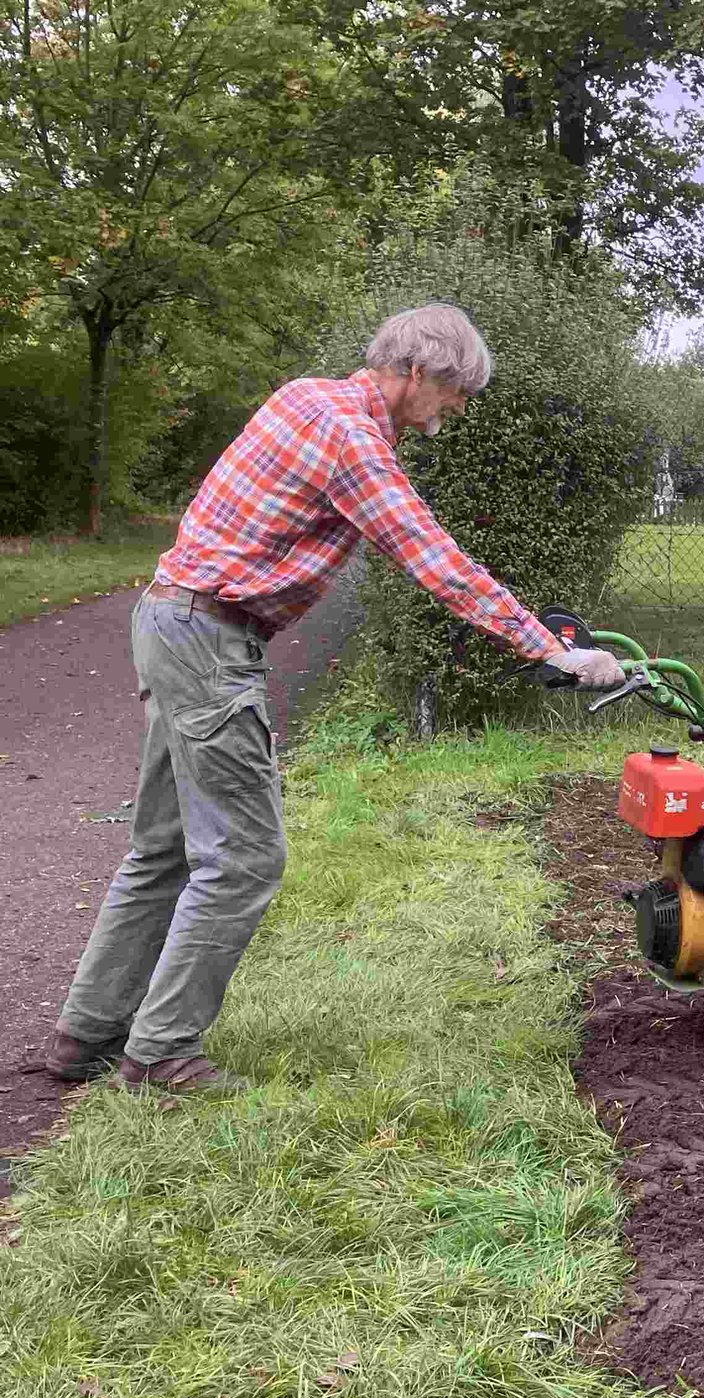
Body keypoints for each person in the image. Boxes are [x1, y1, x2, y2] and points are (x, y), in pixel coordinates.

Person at [41, 304, 626, 1093]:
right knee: (244, 857)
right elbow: (435, 560)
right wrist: (552, 649)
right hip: (208, 641)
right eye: (456, 390)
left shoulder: (304, 397)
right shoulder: (352, 441)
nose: (458, 408)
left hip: (173, 619)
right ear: (417, 372)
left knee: (164, 848)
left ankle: (88, 1035)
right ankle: (160, 1052)